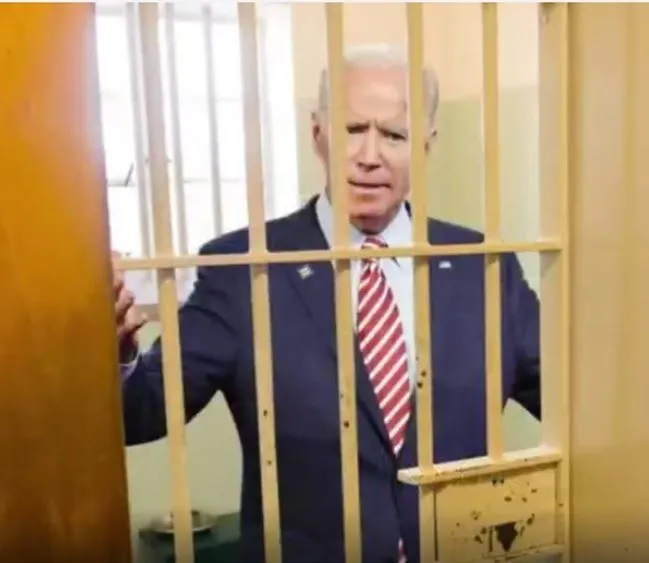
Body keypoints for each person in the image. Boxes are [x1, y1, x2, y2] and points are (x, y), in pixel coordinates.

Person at [114, 44, 541, 563]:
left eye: (394, 135)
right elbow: (141, 413)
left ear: (427, 143)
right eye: (352, 129)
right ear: (318, 135)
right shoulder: (243, 267)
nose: (369, 155)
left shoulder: (482, 264)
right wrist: (118, 352)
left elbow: (574, 404)